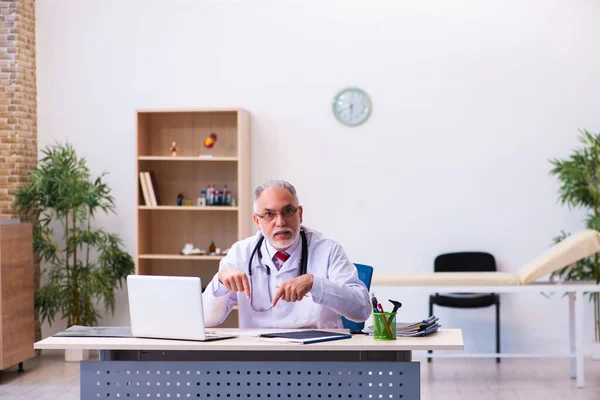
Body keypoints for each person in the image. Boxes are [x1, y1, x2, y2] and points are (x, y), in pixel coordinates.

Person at [202, 180, 371, 329]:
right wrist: (220, 281)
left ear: (300, 214)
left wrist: (315, 283)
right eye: (269, 214)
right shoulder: (240, 253)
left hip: (317, 355)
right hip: (258, 357)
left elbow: (362, 309)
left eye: (288, 211)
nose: (280, 222)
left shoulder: (328, 250)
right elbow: (205, 319)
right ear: (257, 221)